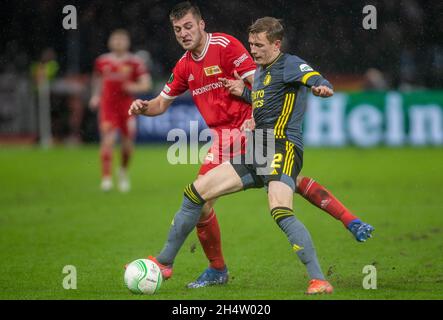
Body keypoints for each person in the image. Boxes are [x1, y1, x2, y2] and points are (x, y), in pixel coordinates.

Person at [129, 3, 374, 290]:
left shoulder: (266, 57)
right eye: (177, 29)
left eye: (188, 27)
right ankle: (171, 262)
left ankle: (319, 277)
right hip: (241, 144)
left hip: (269, 141)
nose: (253, 51)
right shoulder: (202, 67)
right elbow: (257, 93)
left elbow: (300, 78)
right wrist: (144, 107)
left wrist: (317, 88)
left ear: (201, 24)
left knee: (280, 204)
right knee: (199, 196)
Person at [90, 29, 152, 192]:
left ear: (127, 42)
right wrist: (95, 96)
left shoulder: (135, 62)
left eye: (121, 40)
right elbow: (97, 80)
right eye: (115, 39)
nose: (118, 42)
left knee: (127, 145)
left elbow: (146, 84)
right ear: (110, 42)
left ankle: (123, 171)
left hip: (127, 108)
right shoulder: (102, 61)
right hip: (108, 107)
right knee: (108, 140)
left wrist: (133, 86)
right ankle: (106, 178)